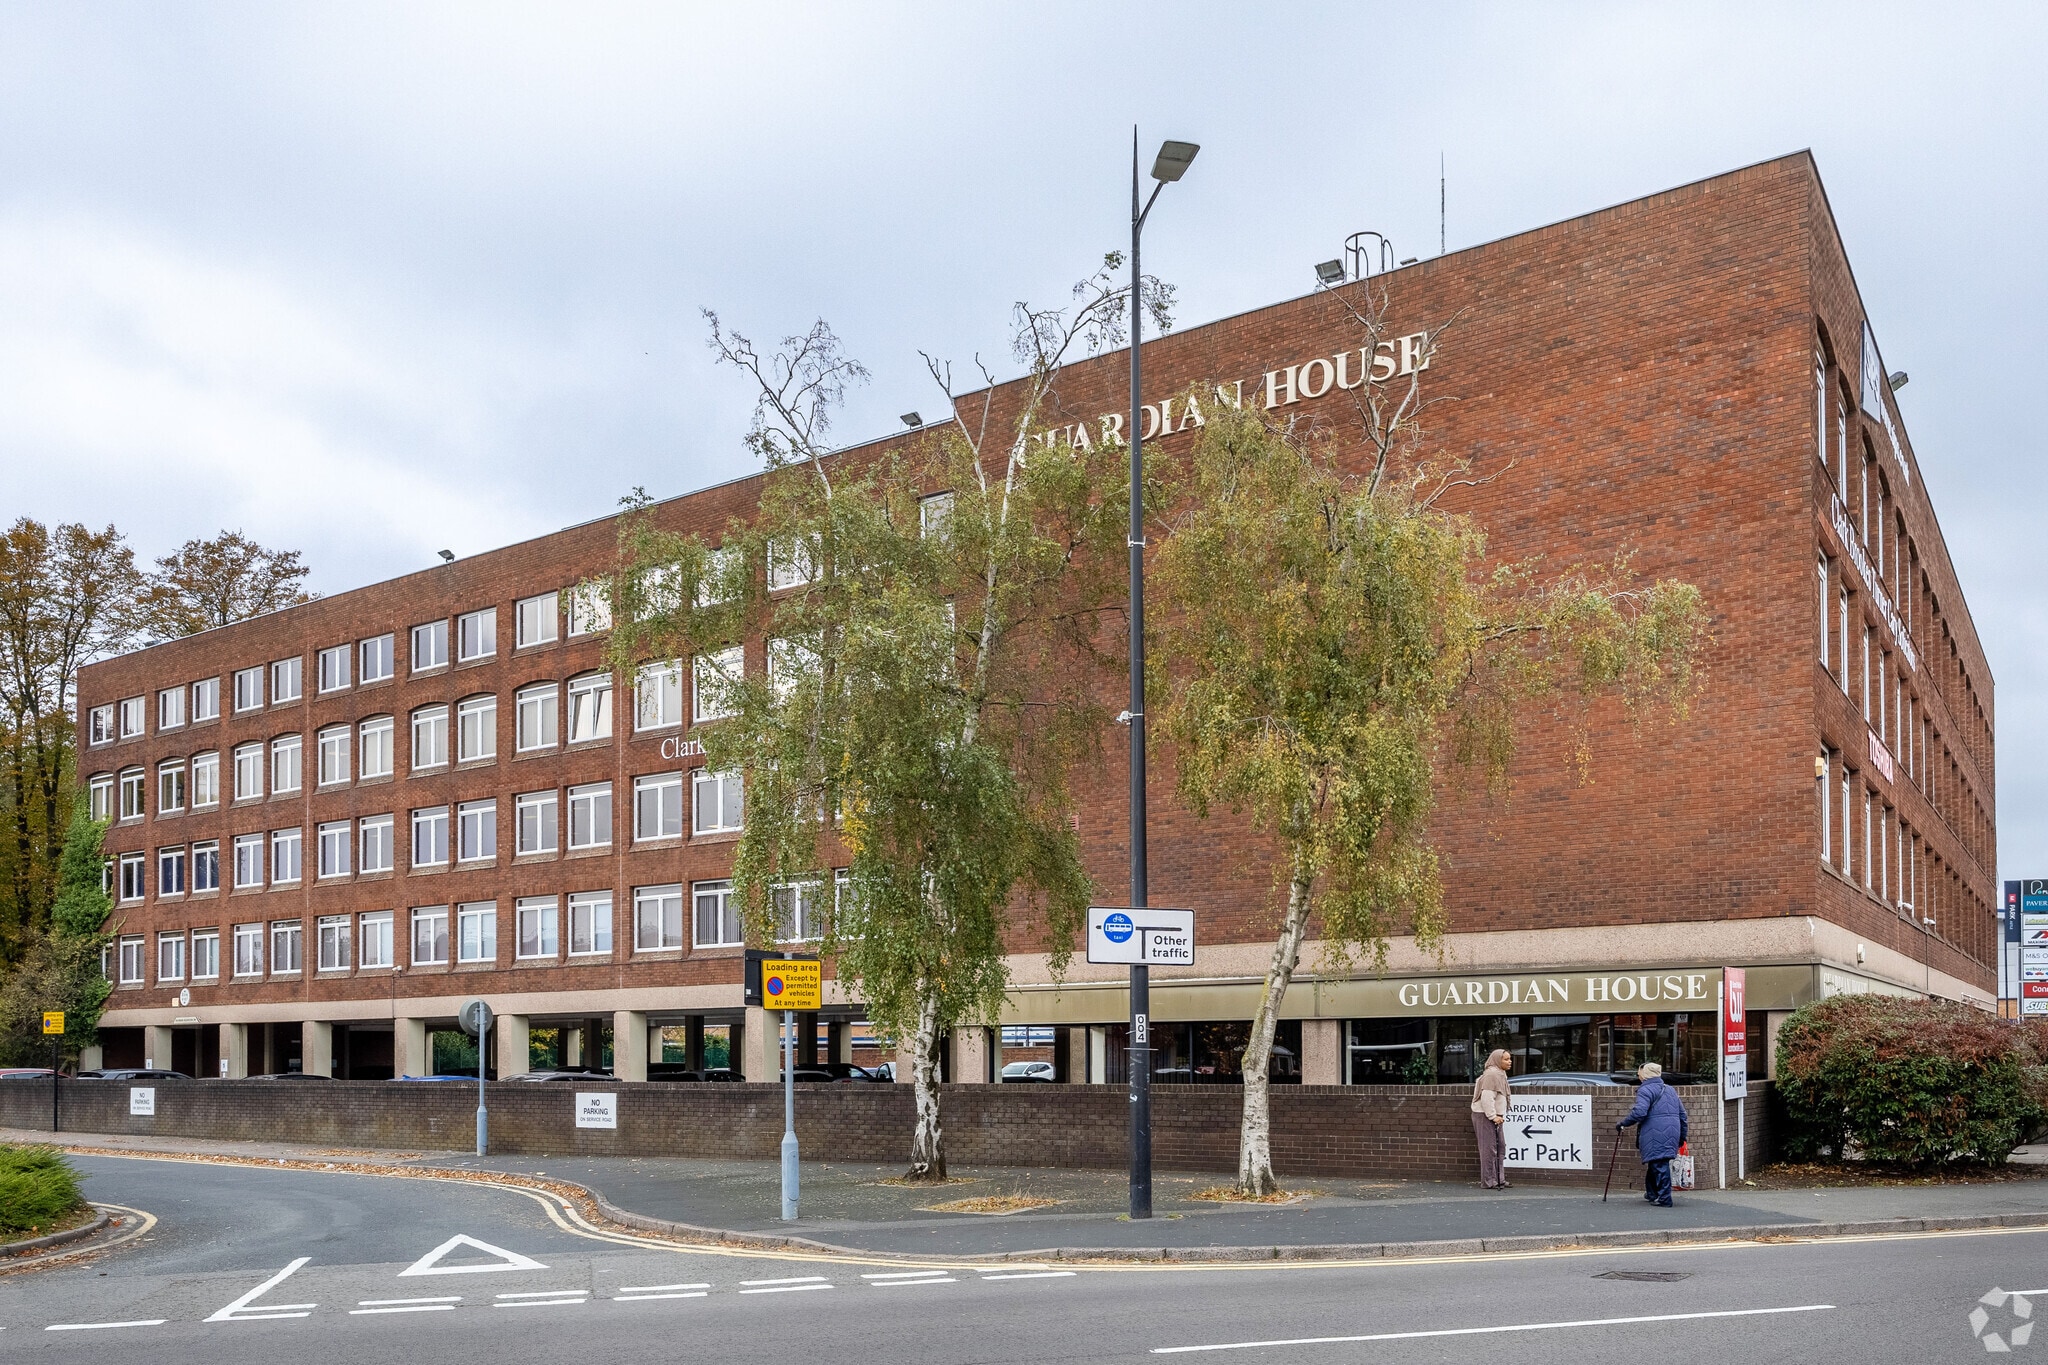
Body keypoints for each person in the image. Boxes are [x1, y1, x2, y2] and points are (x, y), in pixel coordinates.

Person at [1616, 1061, 1689, 1206]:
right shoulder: (1669, 1089)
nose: (1638, 1075)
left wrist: (1623, 1123)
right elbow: (1683, 1115)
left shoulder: (1645, 1090)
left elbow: (1640, 1112)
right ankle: (1652, 1193)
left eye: (1639, 1073)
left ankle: (1665, 1199)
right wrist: (1682, 1136)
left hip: (1655, 1133)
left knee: (1659, 1165)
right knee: (1656, 1162)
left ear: (1645, 1075)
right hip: (1672, 1131)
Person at [1470, 1048, 1513, 1189]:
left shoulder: (1500, 1074)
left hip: (1495, 1117)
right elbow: (1487, 1098)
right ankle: (1489, 1181)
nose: (1509, 1061)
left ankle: (1499, 1179)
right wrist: (1493, 1116)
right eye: (1506, 1059)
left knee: (1500, 1147)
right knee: (1489, 1149)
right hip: (1485, 1116)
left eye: (1509, 1059)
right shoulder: (1492, 1075)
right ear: (1497, 1060)